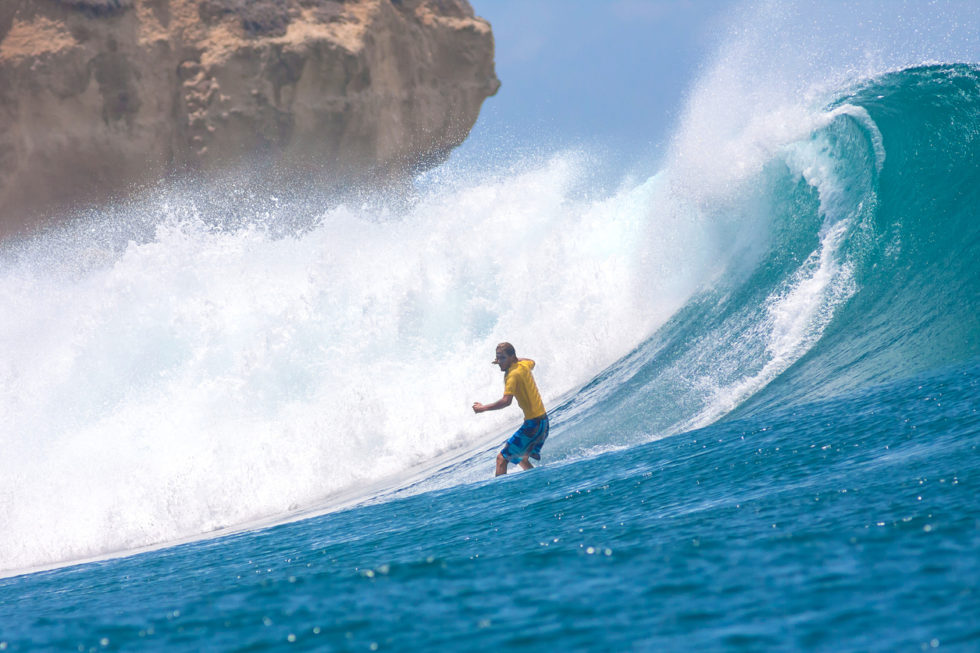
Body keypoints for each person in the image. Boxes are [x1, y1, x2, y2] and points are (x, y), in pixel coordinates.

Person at [472, 342, 549, 476]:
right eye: (498, 358)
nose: (499, 362)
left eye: (502, 358)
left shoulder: (512, 375)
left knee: (501, 459)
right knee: (519, 458)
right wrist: (512, 359)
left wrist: (483, 408)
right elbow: (532, 362)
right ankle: (536, 480)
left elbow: (506, 401)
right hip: (543, 422)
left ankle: (501, 494)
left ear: (512, 357)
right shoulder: (523, 365)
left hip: (533, 425)